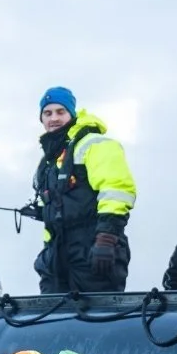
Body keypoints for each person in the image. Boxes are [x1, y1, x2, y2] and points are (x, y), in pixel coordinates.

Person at [33, 87, 137, 294]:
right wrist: (47, 249)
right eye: (48, 113)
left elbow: (117, 191)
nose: (54, 118)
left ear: (72, 114)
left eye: (60, 112)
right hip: (56, 256)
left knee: (97, 313)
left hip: (94, 248)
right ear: (41, 118)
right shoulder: (49, 160)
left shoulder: (95, 144)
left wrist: (106, 239)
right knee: (51, 313)